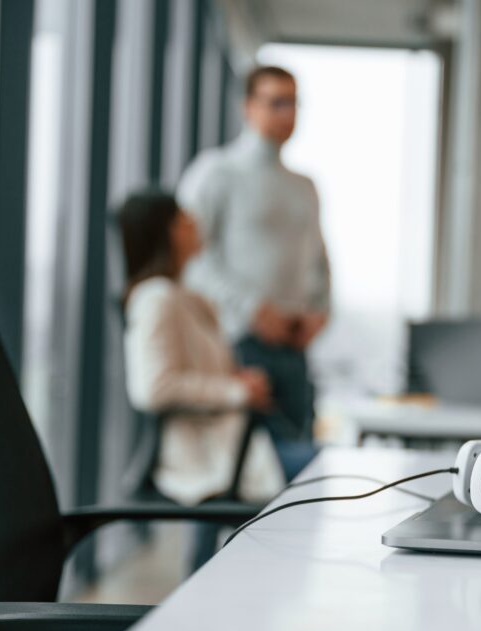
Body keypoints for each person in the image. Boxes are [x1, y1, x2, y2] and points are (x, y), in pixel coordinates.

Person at [177, 64, 328, 465]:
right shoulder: (216, 172)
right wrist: (251, 309)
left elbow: (320, 262)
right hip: (235, 348)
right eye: (276, 102)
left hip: (294, 350)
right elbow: (190, 259)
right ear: (248, 106)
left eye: (294, 103)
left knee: (299, 484)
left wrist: (320, 312)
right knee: (231, 479)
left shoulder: (304, 186)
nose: (287, 113)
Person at [118, 191, 285, 506]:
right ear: (168, 231)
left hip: (231, 445)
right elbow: (153, 388)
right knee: (315, 476)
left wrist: (240, 380)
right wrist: (238, 391)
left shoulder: (185, 297)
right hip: (207, 457)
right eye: (184, 218)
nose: (195, 222)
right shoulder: (157, 299)